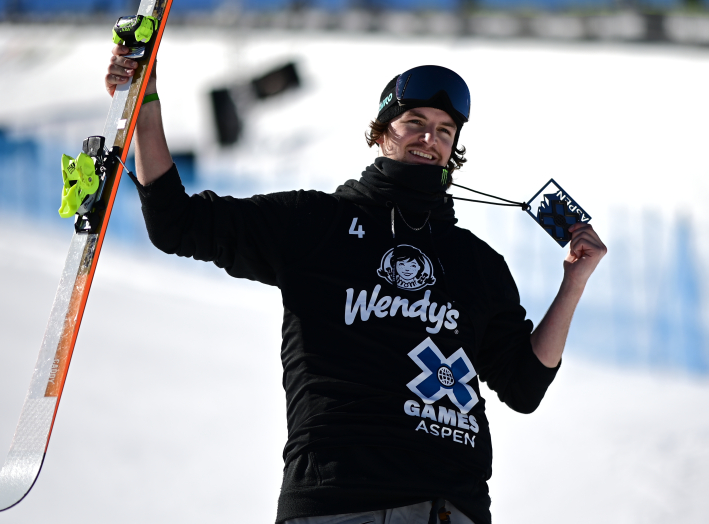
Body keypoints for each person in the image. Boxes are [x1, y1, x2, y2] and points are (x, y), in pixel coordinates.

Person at [105, 46, 606, 524]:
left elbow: (524, 385)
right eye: (415, 123)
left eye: (444, 131)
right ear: (382, 131)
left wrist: (573, 284)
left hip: (450, 504)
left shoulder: (477, 264)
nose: (429, 139)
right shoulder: (314, 224)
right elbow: (177, 222)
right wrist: (145, 104)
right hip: (339, 499)